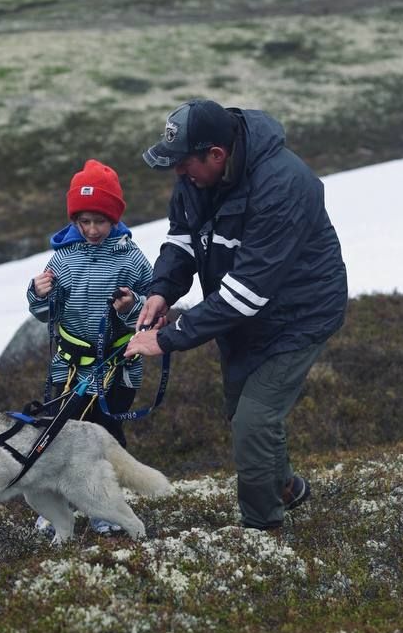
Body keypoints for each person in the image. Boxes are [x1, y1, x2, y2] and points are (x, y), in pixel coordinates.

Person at [127, 99, 347, 534]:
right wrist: (162, 291)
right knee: (239, 405)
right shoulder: (196, 178)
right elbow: (183, 239)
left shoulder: (285, 185)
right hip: (244, 314)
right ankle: (284, 486)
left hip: (299, 315)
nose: (178, 173)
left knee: (254, 419)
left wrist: (170, 337)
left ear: (216, 155)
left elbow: (248, 292)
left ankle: (262, 528)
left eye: (183, 163)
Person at [27, 158, 153, 535]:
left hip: (116, 368)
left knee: (104, 436)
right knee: (59, 434)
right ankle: (58, 507)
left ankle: (106, 510)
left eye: (100, 220)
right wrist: (37, 293)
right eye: (84, 221)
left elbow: (153, 308)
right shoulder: (61, 260)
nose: (93, 229)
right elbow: (45, 313)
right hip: (68, 369)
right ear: (74, 220)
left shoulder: (131, 259)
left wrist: (135, 306)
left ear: (114, 218)